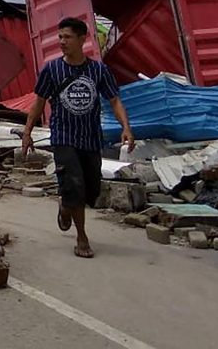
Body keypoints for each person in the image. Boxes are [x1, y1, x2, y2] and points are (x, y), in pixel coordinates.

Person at [21, 16, 134, 259]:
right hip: (63, 136)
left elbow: (114, 100)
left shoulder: (98, 70)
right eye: (60, 37)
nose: (62, 42)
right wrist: (27, 132)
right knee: (74, 184)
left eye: (67, 37)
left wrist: (126, 127)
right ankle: (82, 237)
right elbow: (38, 102)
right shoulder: (52, 70)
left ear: (82, 39)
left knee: (91, 190)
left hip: (90, 138)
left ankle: (66, 205)